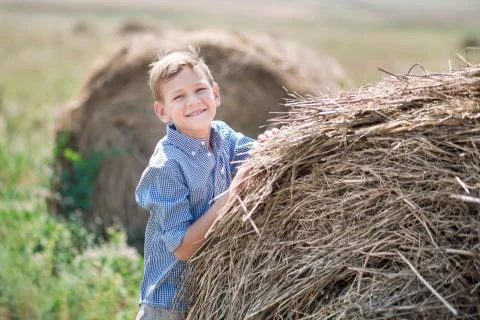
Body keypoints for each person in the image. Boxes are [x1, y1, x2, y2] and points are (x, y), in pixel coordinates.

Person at [134, 48, 278, 320]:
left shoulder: (224, 136)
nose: (193, 101)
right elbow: (184, 248)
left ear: (216, 94)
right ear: (162, 112)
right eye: (179, 96)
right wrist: (230, 198)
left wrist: (272, 144)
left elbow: (255, 158)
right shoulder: (166, 167)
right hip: (168, 302)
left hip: (214, 293)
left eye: (200, 90)